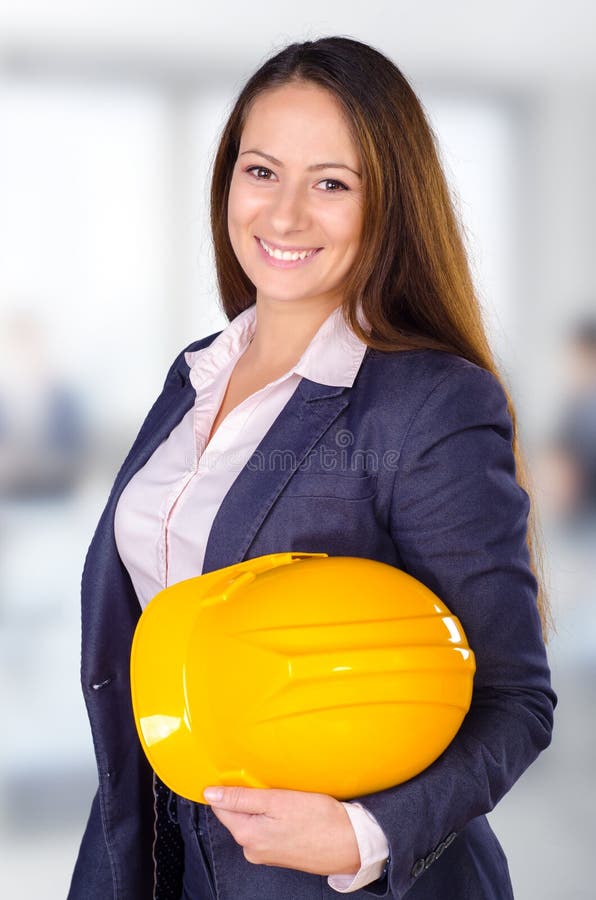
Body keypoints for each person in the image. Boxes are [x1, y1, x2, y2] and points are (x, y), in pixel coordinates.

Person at [68, 36, 556, 900]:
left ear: (389, 205)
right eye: (262, 172)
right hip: (150, 856)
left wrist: (361, 836)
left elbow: (515, 698)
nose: (285, 214)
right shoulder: (193, 374)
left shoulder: (429, 401)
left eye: (332, 183)